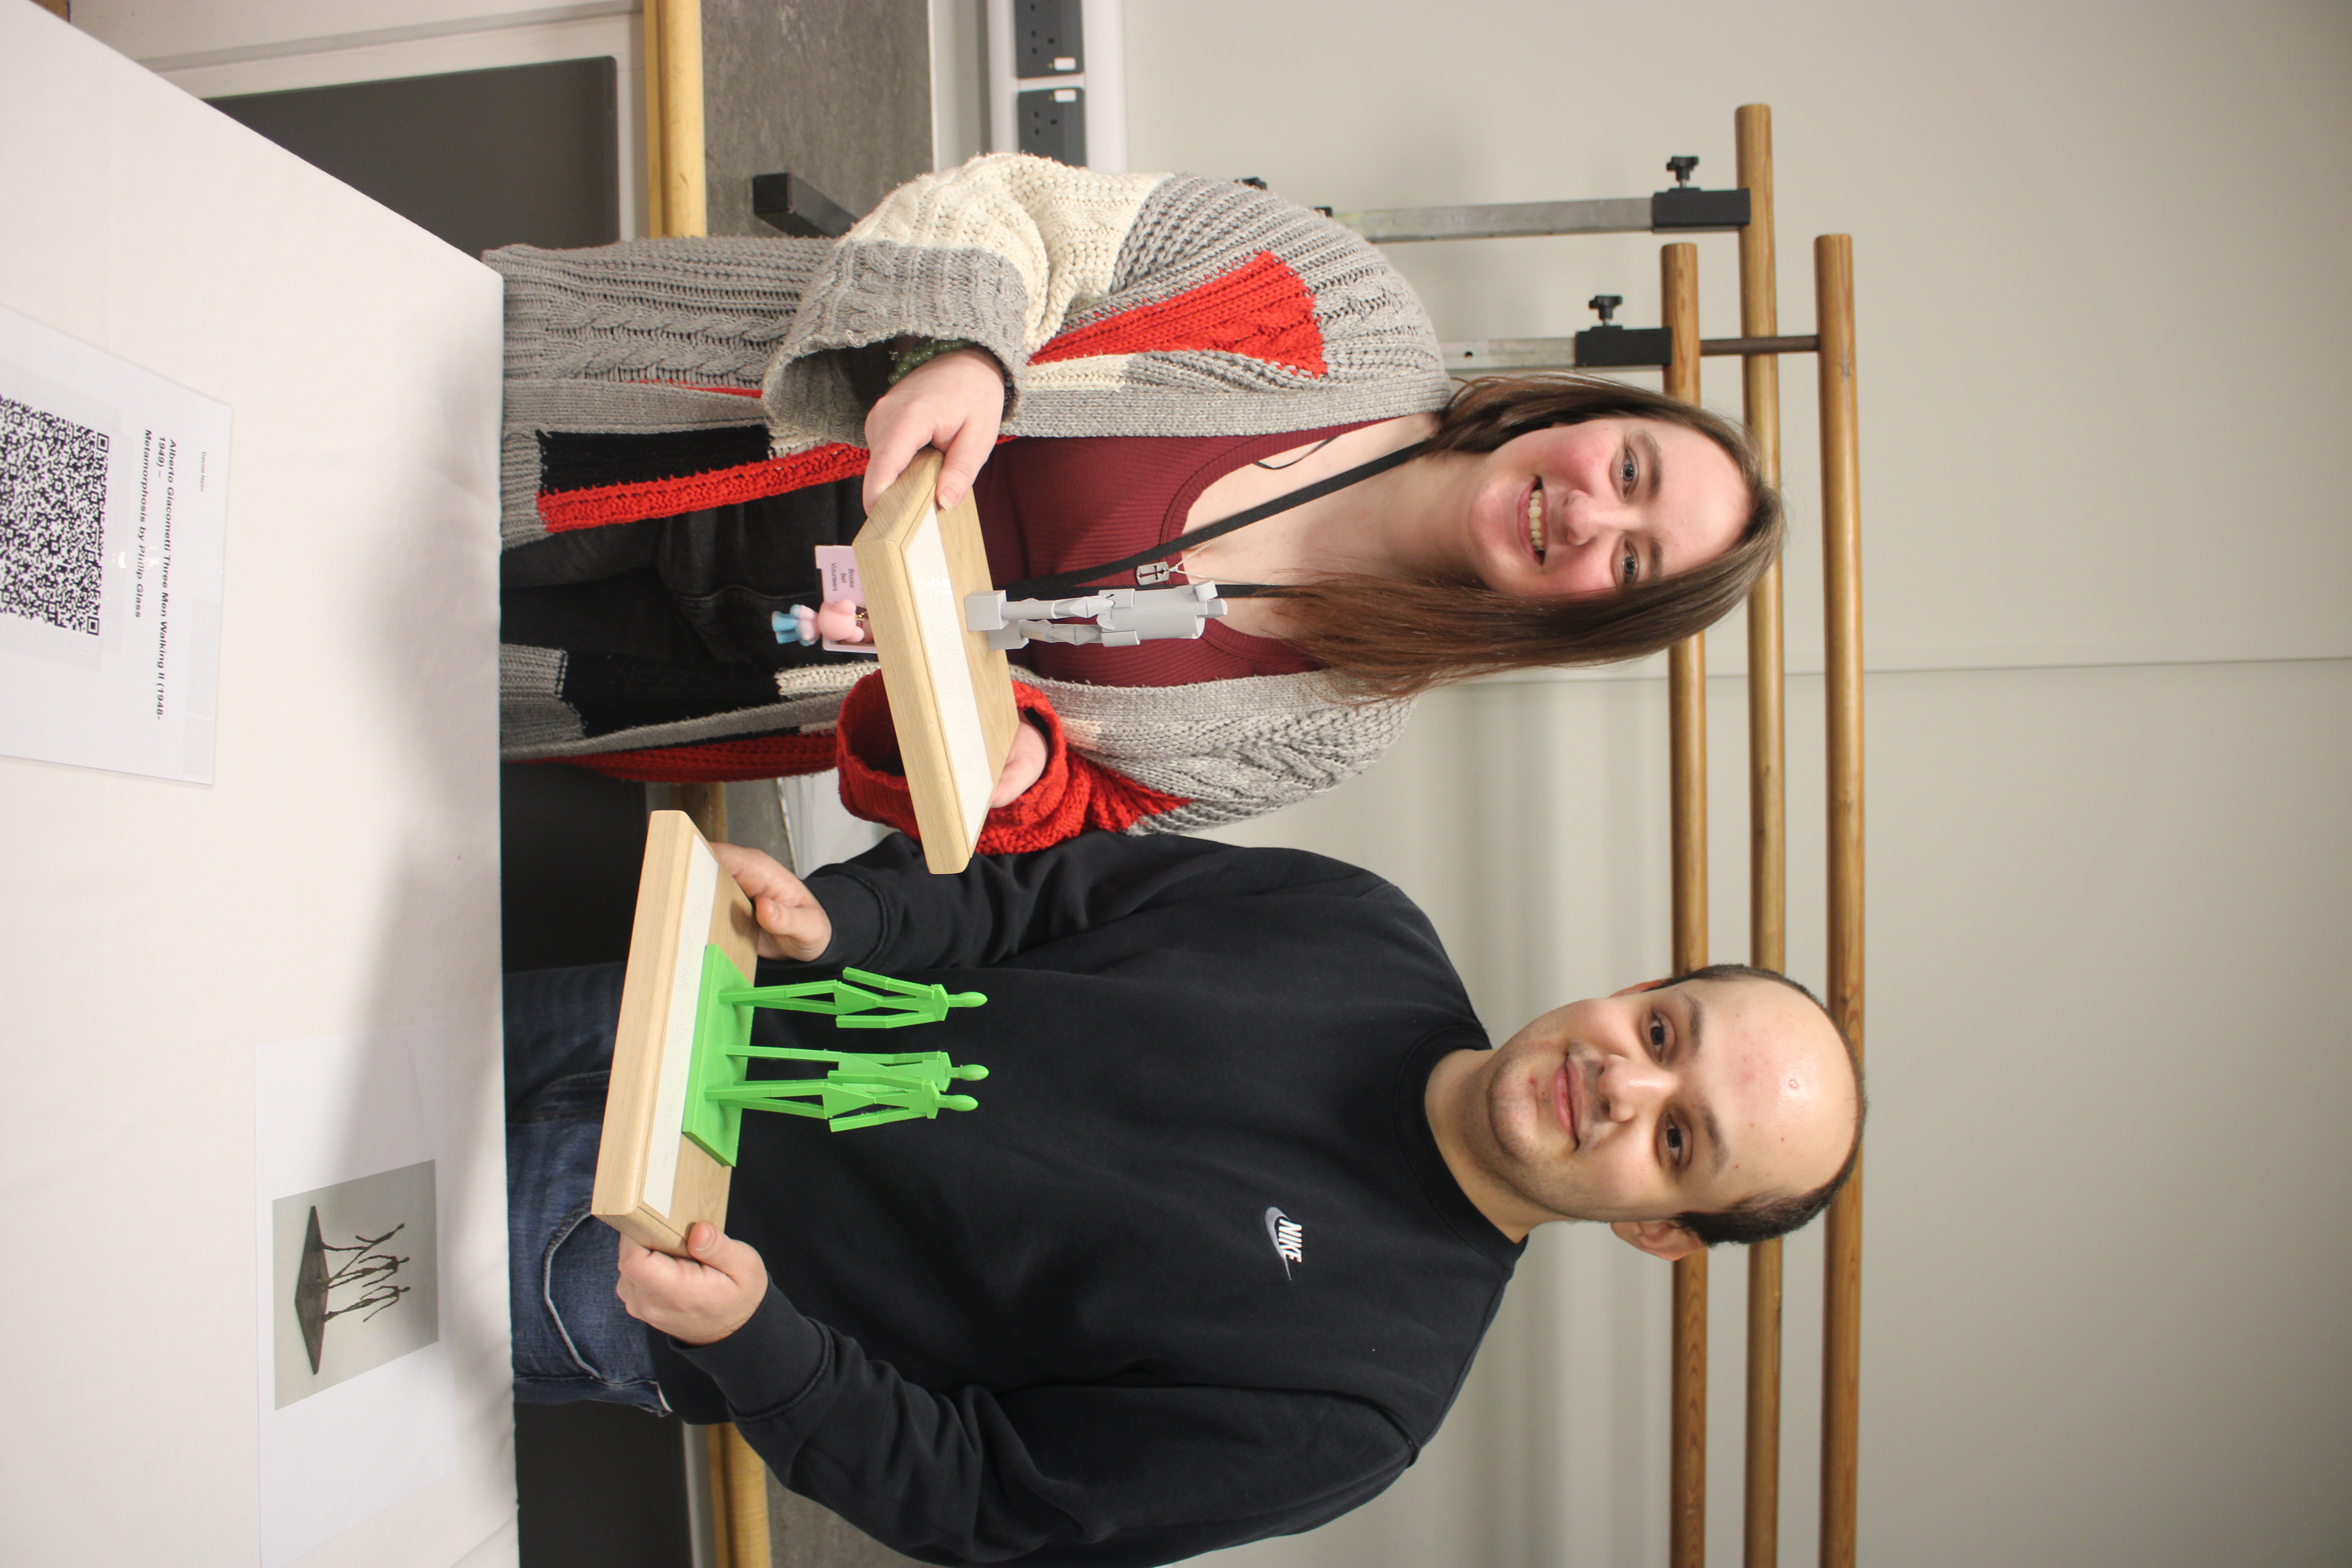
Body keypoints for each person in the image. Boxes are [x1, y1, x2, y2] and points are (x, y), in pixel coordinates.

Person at [507, 831, 1862, 1565]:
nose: (1626, 1084)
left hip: (637, 1260)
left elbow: (988, 1500)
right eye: (1665, 1033)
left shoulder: (1357, 1412)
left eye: (1680, 1144)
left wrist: (762, 1353)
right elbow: (1035, 900)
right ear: (1640, 989)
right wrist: (848, 924)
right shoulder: (1362, 922)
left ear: (1658, 1231)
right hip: (675, 1006)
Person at [495, 154, 1784, 851]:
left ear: (1584, 622)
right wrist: (959, 350)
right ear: (1580, 418)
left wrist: (1019, 775)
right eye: (1629, 474)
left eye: (1630, 567)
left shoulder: (1330, 727)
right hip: (657, 414)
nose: (1590, 520)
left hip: (704, 671)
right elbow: (1018, 213)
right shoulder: (1335, 301)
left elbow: (1085, 815)